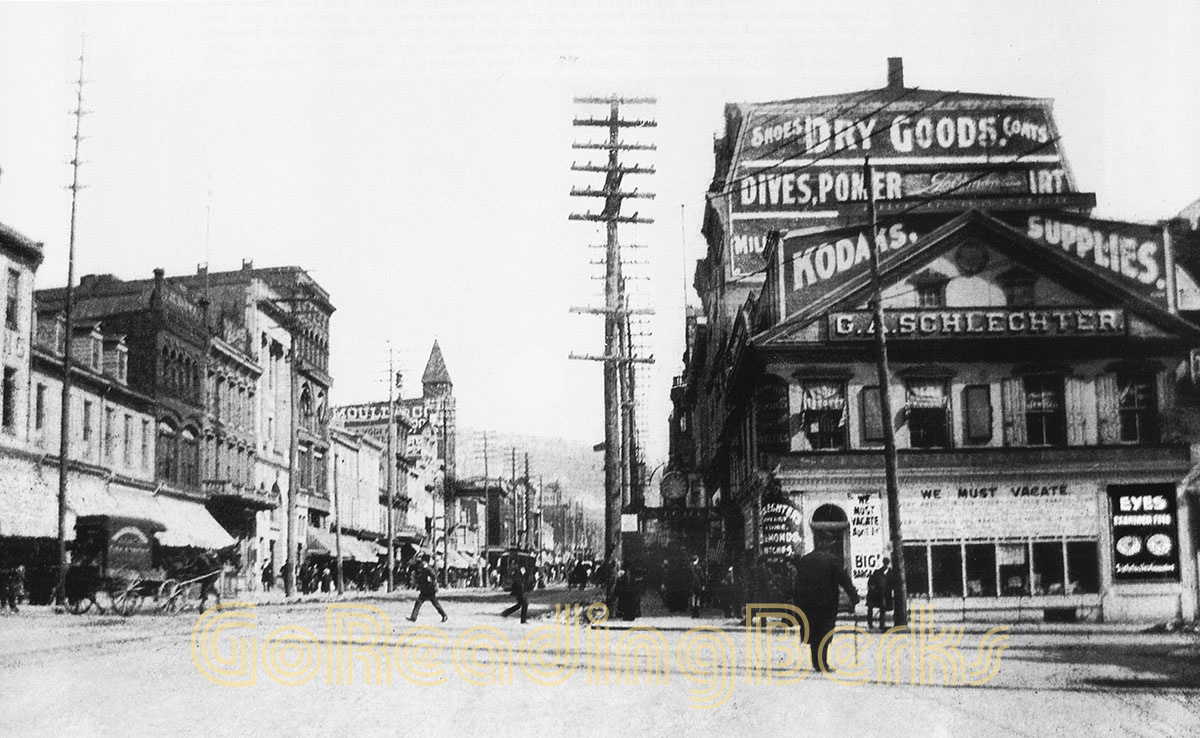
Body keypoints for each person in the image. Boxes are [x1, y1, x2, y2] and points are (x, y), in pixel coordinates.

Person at [793, 537, 859, 674]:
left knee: (813, 632)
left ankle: (817, 663)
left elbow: (798, 584)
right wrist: (854, 597)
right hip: (827, 603)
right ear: (824, 544)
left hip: (808, 603)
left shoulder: (805, 560)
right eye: (829, 544)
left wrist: (798, 603)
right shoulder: (832, 560)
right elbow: (844, 580)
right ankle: (822, 662)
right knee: (825, 631)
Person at [407, 557, 447, 622]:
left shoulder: (424, 565)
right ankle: (413, 617)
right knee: (419, 603)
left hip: (429, 588)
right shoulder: (418, 565)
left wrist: (431, 581)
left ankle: (444, 615)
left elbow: (433, 575)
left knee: (434, 603)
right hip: (425, 588)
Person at [865, 558, 895, 631]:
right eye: (885, 562)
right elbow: (871, 581)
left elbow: (893, 584)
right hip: (877, 594)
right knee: (872, 608)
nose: (885, 564)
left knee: (883, 609)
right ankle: (870, 623)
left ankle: (882, 624)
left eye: (886, 563)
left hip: (885, 594)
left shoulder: (891, 573)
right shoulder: (877, 572)